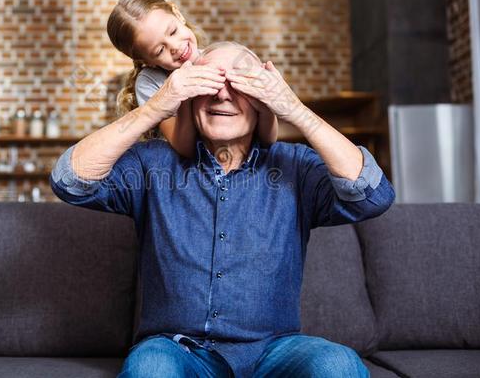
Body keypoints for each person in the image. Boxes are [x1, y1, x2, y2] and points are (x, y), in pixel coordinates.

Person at [50, 42, 395, 377]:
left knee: (336, 365)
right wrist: (158, 106)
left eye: (239, 85)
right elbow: (70, 180)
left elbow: (373, 195)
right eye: (210, 83)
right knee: (151, 369)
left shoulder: (297, 168)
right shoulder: (151, 165)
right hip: (176, 350)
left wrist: (293, 108)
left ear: (262, 99)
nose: (222, 95)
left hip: (273, 351)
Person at [107, 0, 278, 157]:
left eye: (173, 31)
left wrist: (266, 105)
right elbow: (184, 148)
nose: (174, 46)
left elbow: (267, 141)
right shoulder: (151, 82)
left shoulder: (218, 57)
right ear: (147, 61)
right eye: (159, 50)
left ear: (178, 14)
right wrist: (186, 95)